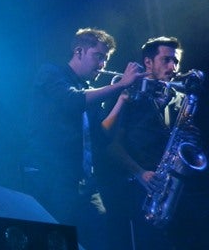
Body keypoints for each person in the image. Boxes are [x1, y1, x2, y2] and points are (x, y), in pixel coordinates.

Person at [22, 28, 144, 250]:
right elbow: (72, 101)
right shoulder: (50, 73)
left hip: (84, 184)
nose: (102, 65)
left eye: (105, 59)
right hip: (51, 178)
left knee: (99, 241)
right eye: (98, 56)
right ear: (79, 51)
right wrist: (120, 84)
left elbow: (103, 137)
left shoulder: (89, 90)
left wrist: (122, 99)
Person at [103, 36, 186, 250]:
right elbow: (110, 145)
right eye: (166, 60)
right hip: (134, 189)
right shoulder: (128, 94)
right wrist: (139, 172)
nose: (173, 67)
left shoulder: (178, 98)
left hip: (168, 190)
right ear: (148, 62)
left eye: (176, 61)